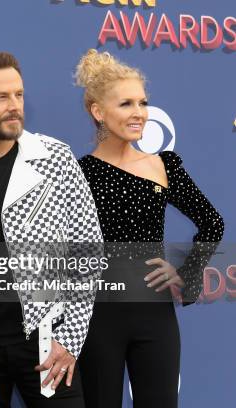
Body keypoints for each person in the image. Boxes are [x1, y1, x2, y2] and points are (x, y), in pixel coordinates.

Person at [0, 52, 103, 407]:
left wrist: (71, 338)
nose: (14, 105)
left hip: (47, 342)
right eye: (1, 97)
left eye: (19, 95)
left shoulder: (56, 158)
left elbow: (87, 250)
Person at [75, 49, 224, 408]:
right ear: (98, 111)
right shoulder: (79, 173)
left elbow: (212, 222)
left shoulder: (163, 165)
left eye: (142, 102)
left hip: (154, 314)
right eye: (126, 103)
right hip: (98, 314)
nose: (139, 112)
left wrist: (185, 274)